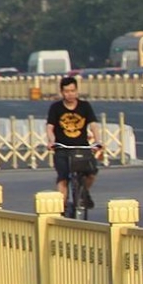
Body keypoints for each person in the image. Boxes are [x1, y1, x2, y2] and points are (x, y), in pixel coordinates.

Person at [46, 76, 102, 208]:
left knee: (91, 173)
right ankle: (61, 208)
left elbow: (93, 125)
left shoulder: (85, 106)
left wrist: (98, 141)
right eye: (66, 91)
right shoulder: (56, 107)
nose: (70, 94)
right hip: (62, 149)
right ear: (62, 92)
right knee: (63, 178)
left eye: (72, 91)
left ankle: (84, 192)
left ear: (77, 91)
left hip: (82, 148)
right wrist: (51, 141)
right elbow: (50, 127)